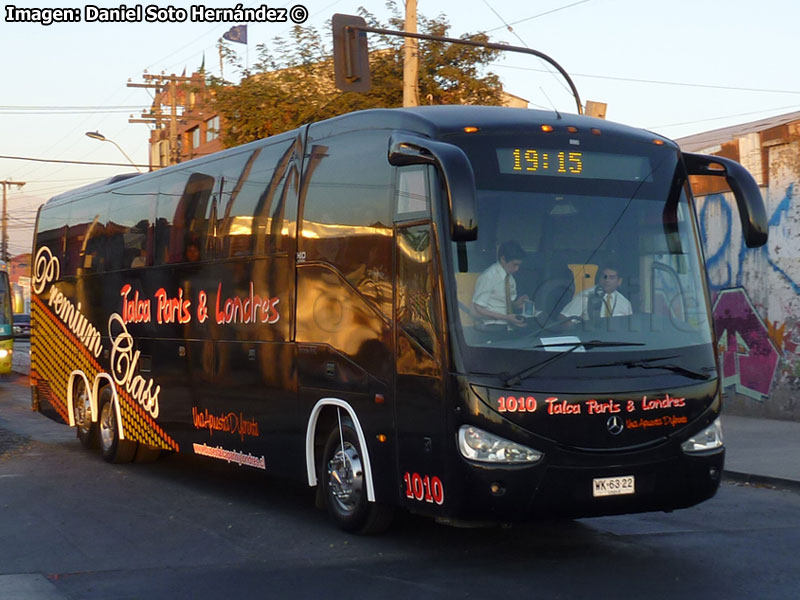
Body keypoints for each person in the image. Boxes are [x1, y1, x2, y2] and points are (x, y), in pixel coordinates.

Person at [471, 241, 531, 331]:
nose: (517, 269)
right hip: (491, 326)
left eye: (519, 265)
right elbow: (477, 309)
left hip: (508, 325)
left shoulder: (510, 279)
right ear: (503, 259)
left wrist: (517, 304)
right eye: (514, 264)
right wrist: (506, 317)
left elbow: (503, 304)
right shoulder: (489, 277)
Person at [561, 264, 632, 320]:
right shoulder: (585, 296)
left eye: (611, 277)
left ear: (619, 281)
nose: (607, 280)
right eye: (604, 277)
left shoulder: (625, 303)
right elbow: (563, 319)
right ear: (599, 278)